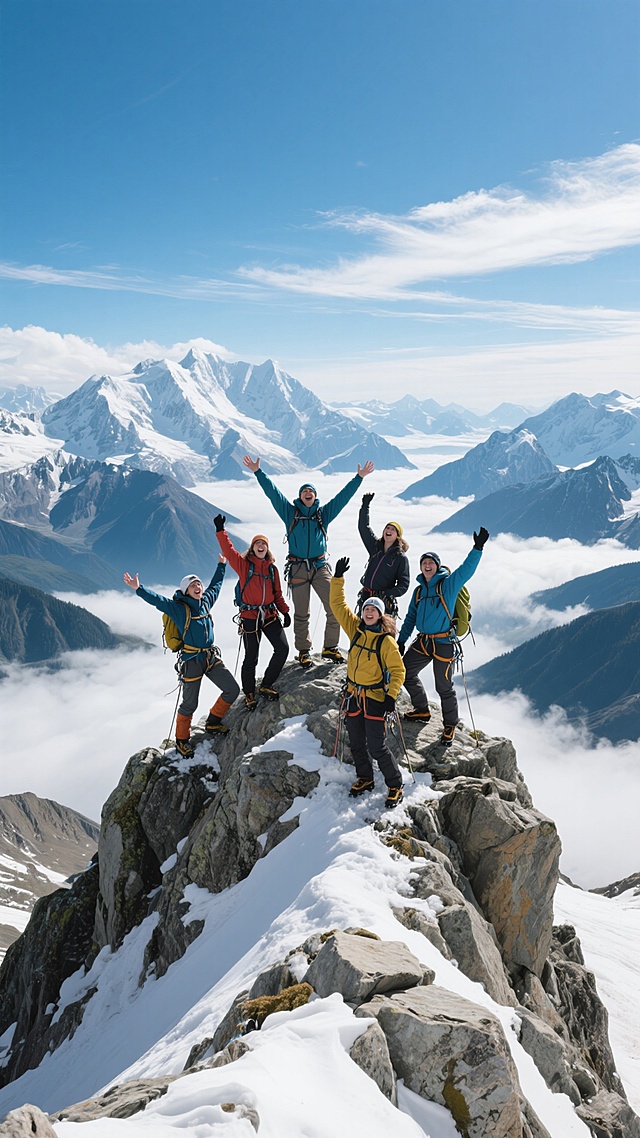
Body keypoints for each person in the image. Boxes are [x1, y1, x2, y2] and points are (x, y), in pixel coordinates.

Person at [242, 454, 374, 667]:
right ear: (300, 497)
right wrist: (259, 473)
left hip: (320, 567)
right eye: (304, 491)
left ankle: (329, 648)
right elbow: (273, 494)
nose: (307, 493)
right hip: (298, 568)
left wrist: (358, 478)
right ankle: (304, 651)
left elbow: (342, 498)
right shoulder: (290, 513)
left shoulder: (323, 514)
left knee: (334, 608)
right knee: (302, 612)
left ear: (315, 496)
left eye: (310, 491)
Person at [123, 556, 239, 756]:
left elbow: (216, 586)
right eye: (193, 585)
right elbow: (159, 601)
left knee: (232, 689)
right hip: (192, 661)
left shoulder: (205, 601)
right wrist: (139, 589)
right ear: (186, 590)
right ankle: (181, 740)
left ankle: (212, 722)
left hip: (210, 657)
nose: (198, 587)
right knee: (189, 704)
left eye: (199, 584)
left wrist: (221, 566)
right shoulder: (179, 609)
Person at [397, 527, 489, 746]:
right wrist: (401, 640)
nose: (427, 566)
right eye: (424, 563)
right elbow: (410, 617)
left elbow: (465, 571)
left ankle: (450, 725)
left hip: (443, 642)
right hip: (423, 641)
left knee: (443, 686)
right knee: (405, 672)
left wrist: (477, 548)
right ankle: (421, 710)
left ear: (437, 566)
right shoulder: (419, 591)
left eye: (431, 563)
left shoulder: (448, 585)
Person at [330, 556, 406, 808]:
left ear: (381, 615)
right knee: (356, 743)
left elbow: (398, 670)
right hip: (353, 696)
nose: (368, 612)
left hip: (374, 699)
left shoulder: (386, 641)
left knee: (376, 746)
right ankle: (365, 778)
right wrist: (338, 579)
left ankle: (395, 785)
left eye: (373, 610)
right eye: (366, 609)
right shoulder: (355, 630)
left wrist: (391, 696)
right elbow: (338, 605)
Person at [214, 513, 291, 708]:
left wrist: (285, 611)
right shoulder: (244, 565)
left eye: (264, 544)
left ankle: (266, 685)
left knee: (282, 649)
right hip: (249, 617)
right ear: (253, 547)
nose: (261, 546)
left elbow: (278, 594)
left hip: (270, 615)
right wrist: (221, 531)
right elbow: (229, 552)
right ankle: (249, 694)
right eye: (257, 543)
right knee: (251, 657)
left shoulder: (272, 570)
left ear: (267, 549)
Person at [357, 492, 410, 618]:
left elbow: (404, 584)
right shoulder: (375, 548)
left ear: (398, 536)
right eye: (387, 528)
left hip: (384, 603)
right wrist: (365, 506)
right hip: (367, 597)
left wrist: (387, 593)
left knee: (382, 634)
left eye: (393, 529)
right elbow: (363, 527)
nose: (389, 531)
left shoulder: (400, 558)